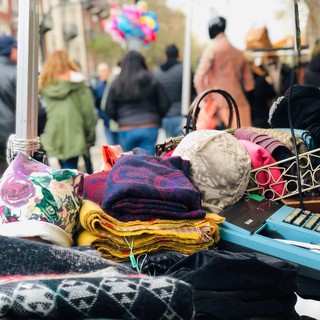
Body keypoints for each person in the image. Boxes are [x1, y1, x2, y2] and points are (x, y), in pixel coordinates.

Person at [38, 50, 96, 170]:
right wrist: (90, 135)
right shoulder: (79, 83)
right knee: (71, 168)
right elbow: (88, 111)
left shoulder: (44, 84)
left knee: (63, 166)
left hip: (52, 129)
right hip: (74, 129)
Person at [193, 16, 255, 129]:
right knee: (245, 141)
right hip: (241, 104)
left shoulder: (212, 50)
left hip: (220, 104)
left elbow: (198, 78)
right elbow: (249, 85)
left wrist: (206, 100)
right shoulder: (239, 53)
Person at [105, 50, 170, 155]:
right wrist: (156, 117)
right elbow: (165, 103)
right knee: (147, 160)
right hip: (149, 125)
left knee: (129, 161)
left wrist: (121, 119)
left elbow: (109, 108)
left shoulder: (117, 82)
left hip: (126, 128)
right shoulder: (152, 79)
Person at [0, 34, 47, 177]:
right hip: (17, 139)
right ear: (10, 50)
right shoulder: (19, 74)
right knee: (27, 187)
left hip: (5, 138)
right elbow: (36, 110)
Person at [154, 44, 196, 138]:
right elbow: (194, 92)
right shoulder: (185, 70)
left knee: (171, 149)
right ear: (178, 55)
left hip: (166, 118)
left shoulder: (157, 73)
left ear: (165, 56)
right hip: (184, 115)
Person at [90, 62, 118, 146]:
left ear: (109, 71)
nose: (100, 74)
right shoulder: (98, 87)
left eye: (102, 71)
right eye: (99, 71)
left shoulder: (116, 83)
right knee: (112, 147)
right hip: (106, 122)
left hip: (117, 121)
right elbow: (96, 103)